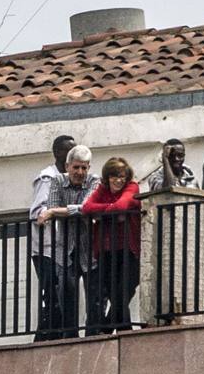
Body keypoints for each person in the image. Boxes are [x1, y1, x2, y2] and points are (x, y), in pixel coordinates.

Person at [34, 144, 98, 339]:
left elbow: (87, 207)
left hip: (90, 250)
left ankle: (93, 338)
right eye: (76, 167)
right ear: (68, 166)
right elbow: (53, 206)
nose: (80, 172)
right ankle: (70, 339)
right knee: (66, 299)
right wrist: (61, 211)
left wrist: (56, 212)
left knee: (94, 300)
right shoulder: (56, 180)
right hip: (65, 250)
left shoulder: (95, 181)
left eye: (84, 168)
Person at [79, 157, 142, 333]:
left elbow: (122, 205)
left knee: (122, 294)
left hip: (129, 250)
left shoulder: (132, 187)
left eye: (122, 176)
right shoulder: (102, 189)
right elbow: (86, 208)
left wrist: (102, 213)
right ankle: (125, 334)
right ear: (107, 178)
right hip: (106, 251)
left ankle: (106, 328)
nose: (118, 180)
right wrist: (111, 211)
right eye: (114, 176)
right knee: (116, 297)